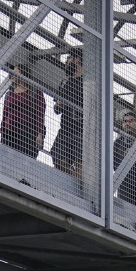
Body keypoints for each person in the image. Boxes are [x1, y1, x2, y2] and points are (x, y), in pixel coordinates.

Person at [0, 63, 46, 157]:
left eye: (15, 72)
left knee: (24, 159)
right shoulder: (10, 93)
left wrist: (39, 134)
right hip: (10, 131)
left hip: (27, 132)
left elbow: (40, 114)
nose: (12, 74)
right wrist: (2, 133)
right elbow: (4, 114)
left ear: (22, 74)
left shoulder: (34, 92)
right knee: (8, 158)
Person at [51, 49, 84, 179]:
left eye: (69, 58)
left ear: (77, 59)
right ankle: (71, 182)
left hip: (81, 129)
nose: (66, 61)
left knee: (80, 163)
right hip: (65, 128)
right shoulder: (65, 82)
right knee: (58, 160)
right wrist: (58, 105)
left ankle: (79, 190)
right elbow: (56, 109)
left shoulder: (87, 82)